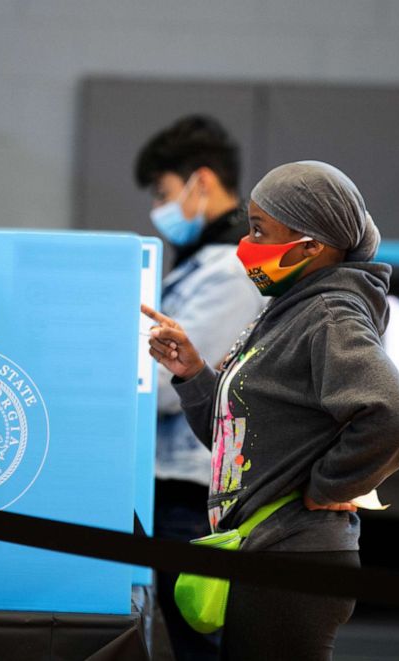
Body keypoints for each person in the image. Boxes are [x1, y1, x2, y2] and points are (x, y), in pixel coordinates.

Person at [143, 160, 399, 660]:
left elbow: (396, 418)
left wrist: (327, 486)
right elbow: (239, 442)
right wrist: (192, 373)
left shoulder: (330, 315)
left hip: (295, 554)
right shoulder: (287, 310)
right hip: (266, 550)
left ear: (312, 245)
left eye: (259, 230)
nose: (246, 245)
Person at [134, 115, 265, 660]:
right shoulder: (203, 265)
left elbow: (173, 384)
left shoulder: (230, 272)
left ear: (202, 182)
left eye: (165, 193)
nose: (160, 209)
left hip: (195, 497)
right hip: (178, 490)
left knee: (198, 647)